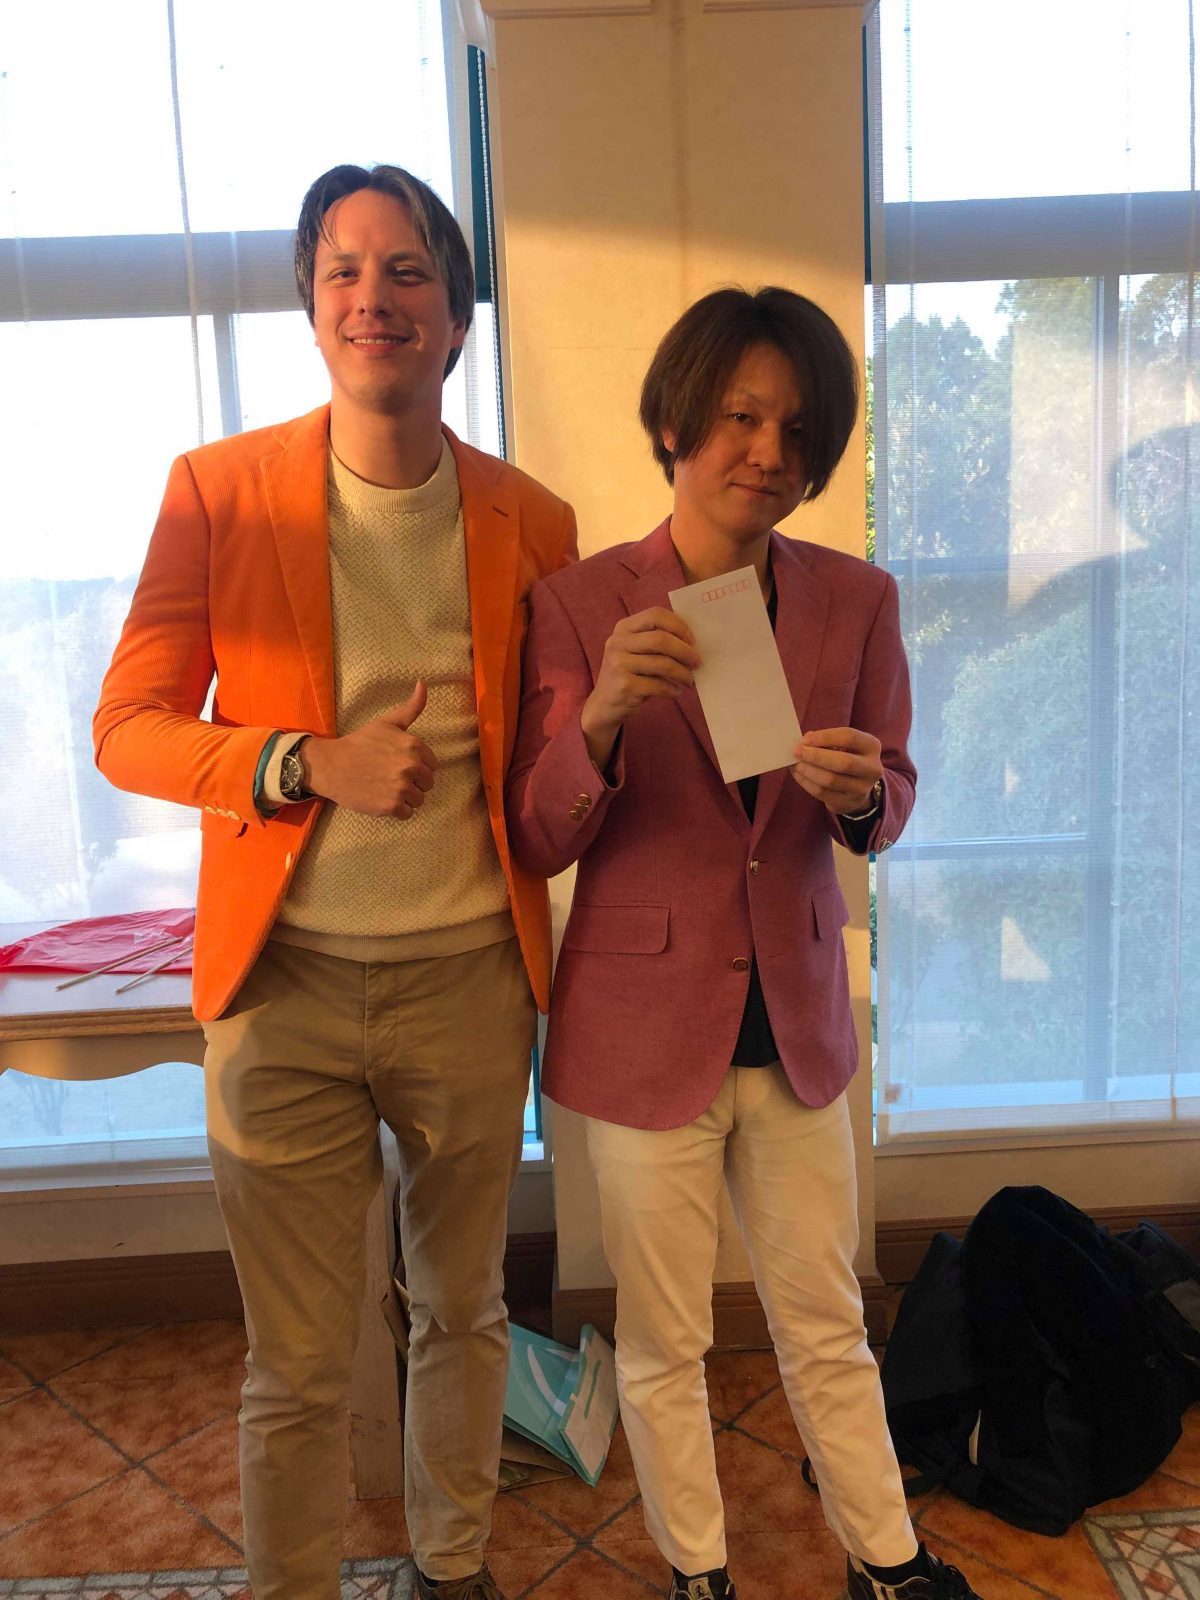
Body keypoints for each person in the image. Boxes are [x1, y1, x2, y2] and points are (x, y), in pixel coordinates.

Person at [93, 163, 576, 1600]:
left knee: (464, 1311)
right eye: (345, 270)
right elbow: (127, 729)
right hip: (281, 989)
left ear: (457, 317)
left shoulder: (534, 519)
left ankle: (454, 1566)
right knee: (296, 1360)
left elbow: (549, 762)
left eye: (409, 269)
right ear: (311, 307)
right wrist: (302, 762)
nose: (376, 296)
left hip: (471, 981)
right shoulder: (218, 494)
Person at [505, 287, 982, 1600]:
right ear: (677, 422)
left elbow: (891, 791)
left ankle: (885, 1557)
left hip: (799, 1016)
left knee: (827, 1317)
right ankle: (698, 1573)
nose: (769, 452)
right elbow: (538, 832)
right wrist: (599, 716)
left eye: (797, 429)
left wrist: (865, 797)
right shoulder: (579, 604)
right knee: (663, 1335)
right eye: (740, 417)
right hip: (643, 1025)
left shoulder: (857, 599)